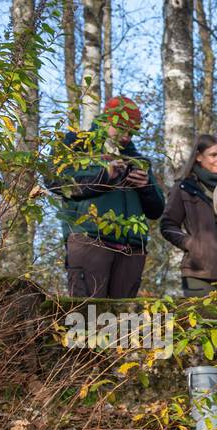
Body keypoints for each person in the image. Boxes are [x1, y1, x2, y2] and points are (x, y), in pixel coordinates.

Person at [50, 96, 164, 298]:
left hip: (132, 251)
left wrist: (146, 186)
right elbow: (56, 182)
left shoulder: (138, 160)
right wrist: (105, 177)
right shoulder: (76, 144)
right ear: (105, 120)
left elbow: (157, 210)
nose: (127, 137)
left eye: (132, 132)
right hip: (91, 242)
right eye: (121, 128)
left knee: (123, 323)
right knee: (88, 319)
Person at [160, 134, 217, 295]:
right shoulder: (184, 187)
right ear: (199, 157)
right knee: (204, 320)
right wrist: (191, 244)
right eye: (213, 155)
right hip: (199, 271)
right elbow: (167, 225)